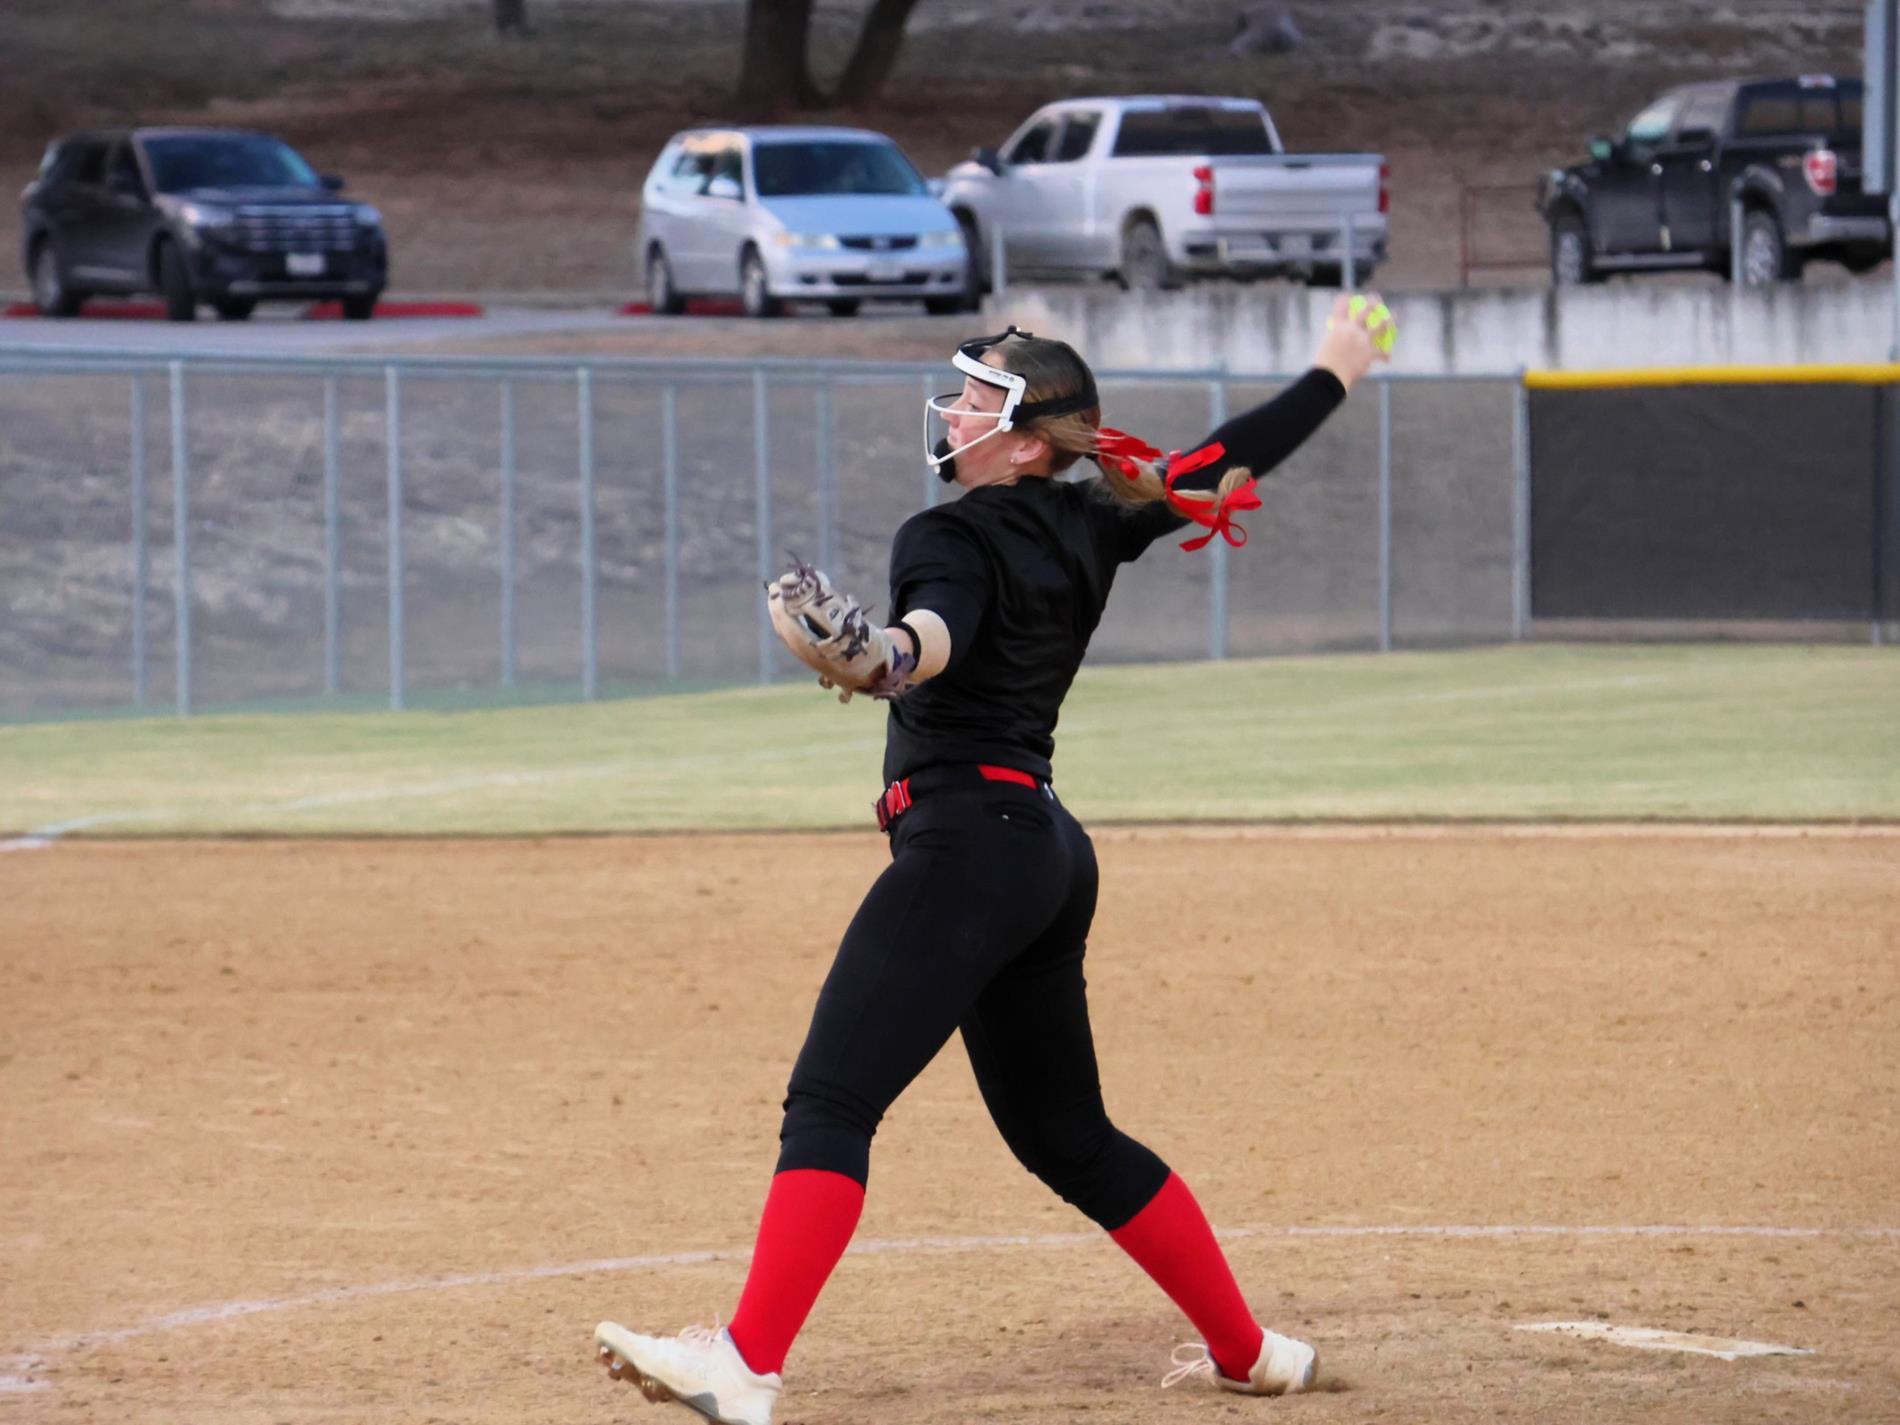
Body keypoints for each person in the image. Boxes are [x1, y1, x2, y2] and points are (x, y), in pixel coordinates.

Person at [596, 296, 1393, 1425]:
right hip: (1043, 853)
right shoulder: (1097, 516)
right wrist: (1335, 368)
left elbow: (936, 632)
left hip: (970, 847)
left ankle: (744, 1367)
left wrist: (883, 656)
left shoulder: (949, 535)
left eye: (979, 399)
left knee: (831, 1100)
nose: (956, 410)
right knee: (1068, 1138)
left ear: (1025, 443)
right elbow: (1230, 453)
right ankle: (1250, 1351)